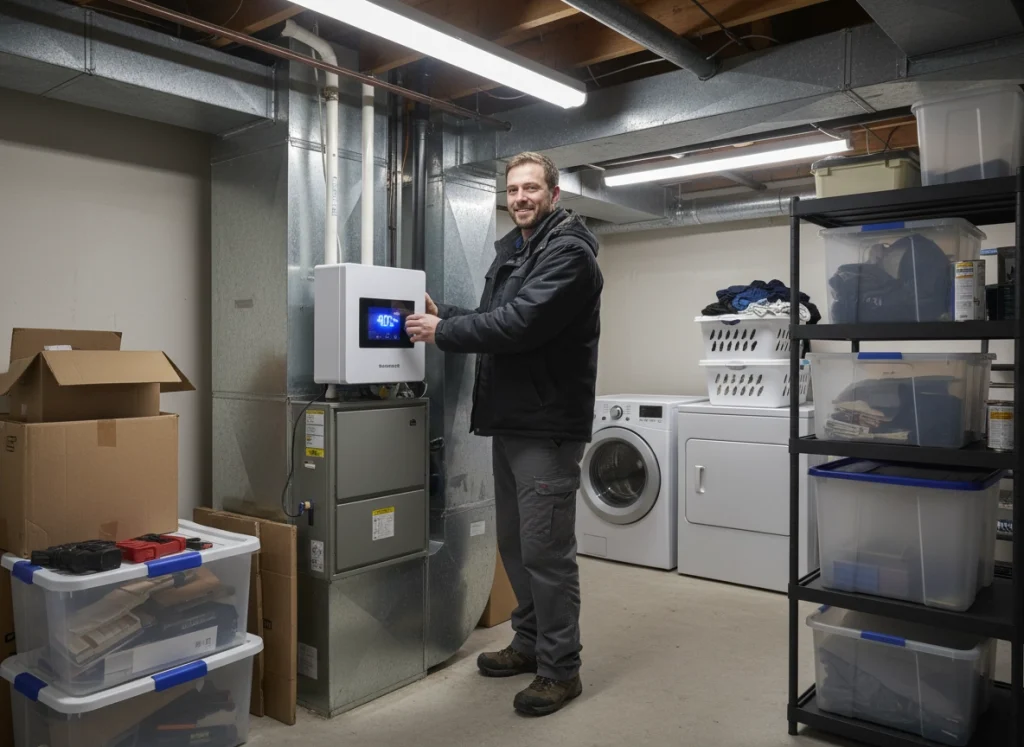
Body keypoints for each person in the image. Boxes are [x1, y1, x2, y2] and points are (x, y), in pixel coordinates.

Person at [405, 151, 603, 717]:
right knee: (514, 545)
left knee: (547, 552)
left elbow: (519, 325)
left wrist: (444, 331)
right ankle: (529, 641)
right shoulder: (517, 251)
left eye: (531, 189)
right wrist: (449, 314)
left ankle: (561, 669)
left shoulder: (568, 254)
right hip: (512, 421)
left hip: (546, 427)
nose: (520, 198)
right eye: (513, 190)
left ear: (554, 195)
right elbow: (500, 315)